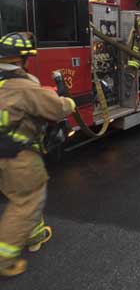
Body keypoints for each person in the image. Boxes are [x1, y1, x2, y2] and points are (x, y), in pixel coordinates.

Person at [0, 32, 76, 277]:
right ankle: (4, 259)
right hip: (17, 156)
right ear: (22, 59)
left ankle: (33, 234)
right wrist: (69, 103)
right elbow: (55, 109)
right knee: (26, 200)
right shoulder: (22, 86)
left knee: (18, 193)